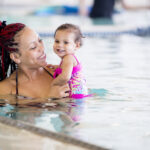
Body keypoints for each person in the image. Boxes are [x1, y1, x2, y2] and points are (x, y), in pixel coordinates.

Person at [0, 21, 69, 99]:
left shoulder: (59, 73)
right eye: (33, 47)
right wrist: (50, 99)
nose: (42, 48)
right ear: (16, 57)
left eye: (40, 41)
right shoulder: (5, 90)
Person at [49, 23, 88, 99]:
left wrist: (53, 84)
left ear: (76, 46)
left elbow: (65, 77)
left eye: (66, 42)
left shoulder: (68, 58)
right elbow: (70, 70)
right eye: (57, 41)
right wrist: (57, 67)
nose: (60, 45)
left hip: (74, 98)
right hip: (78, 96)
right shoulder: (69, 59)